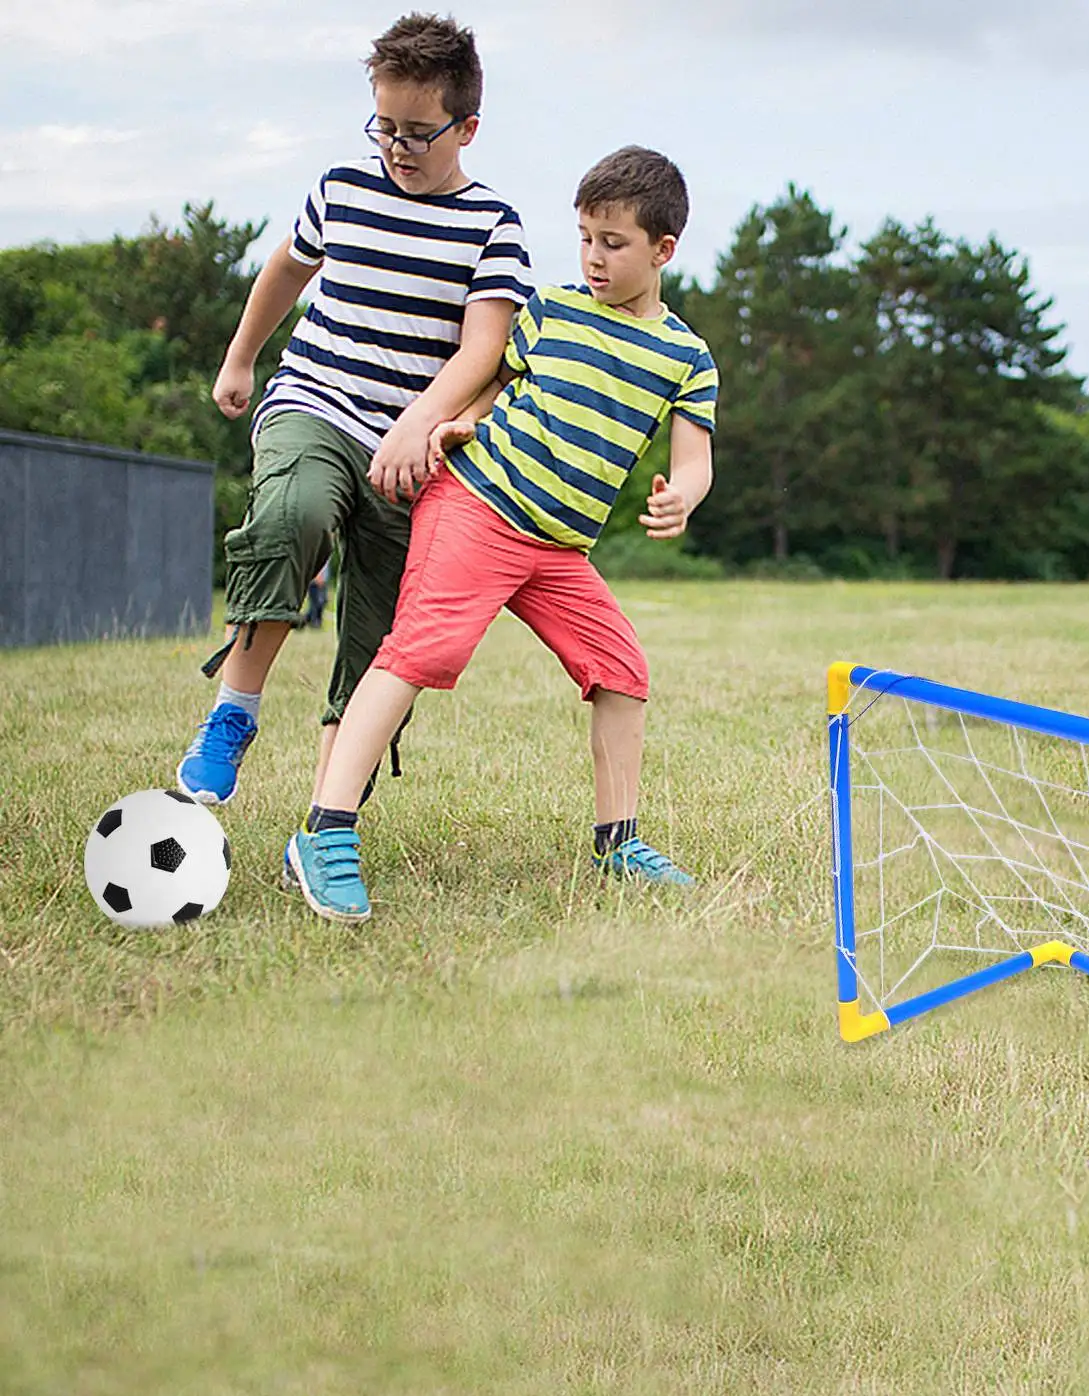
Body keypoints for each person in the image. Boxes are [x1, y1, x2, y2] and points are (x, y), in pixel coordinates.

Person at [283, 145, 717, 923]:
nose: (593, 256)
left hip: (558, 548)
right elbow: (490, 385)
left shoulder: (686, 356)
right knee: (424, 650)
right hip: (479, 504)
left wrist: (680, 497)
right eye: (584, 236)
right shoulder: (548, 311)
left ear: (664, 250)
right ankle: (325, 829)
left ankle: (617, 843)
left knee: (621, 669)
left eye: (613, 244)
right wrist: (452, 426)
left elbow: (695, 458)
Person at [175, 12, 532, 811]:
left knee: (379, 632)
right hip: (316, 401)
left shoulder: (494, 227)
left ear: (467, 127)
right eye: (385, 127)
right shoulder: (342, 186)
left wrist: (418, 426)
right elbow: (286, 269)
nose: (397, 148)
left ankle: (324, 818)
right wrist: (241, 357)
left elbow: (485, 351)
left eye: (418, 131)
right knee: (290, 515)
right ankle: (235, 711)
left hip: (413, 449)